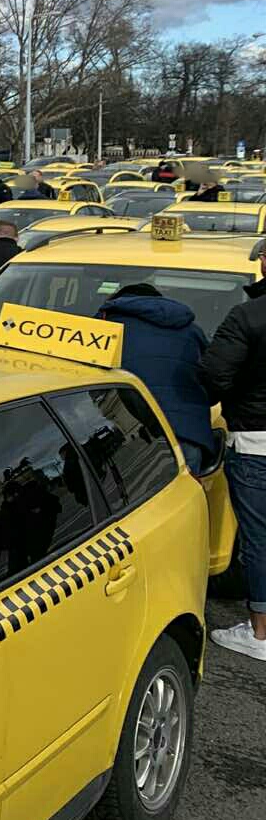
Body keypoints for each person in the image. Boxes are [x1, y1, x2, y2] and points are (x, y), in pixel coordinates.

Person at [200, 245, 266, 661]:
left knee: (259, 538)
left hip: (257, 442)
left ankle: (260, 634)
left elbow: (213, 375)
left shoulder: (249, 315)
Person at [97, 283, 214, 472]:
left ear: (119, 301)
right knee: (187, 496)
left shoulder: (103, 328)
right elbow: (213, 377)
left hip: (139, 437)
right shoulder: (191, 329)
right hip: (187, 432)